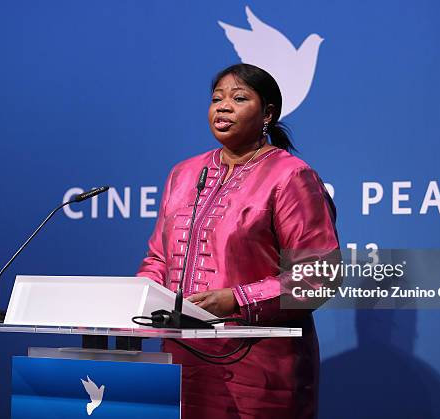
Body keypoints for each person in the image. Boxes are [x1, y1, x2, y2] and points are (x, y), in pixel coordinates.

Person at [137, 63, 339, 419]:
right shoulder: (183, 174)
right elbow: (158, 259)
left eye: (239, 98)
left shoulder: (291, 176)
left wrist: (235, 299)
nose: (223, 106)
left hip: (257, 367)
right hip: (178, 362)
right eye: (217, 99)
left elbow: (317, 275)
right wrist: (138, 296)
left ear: (268, 114)